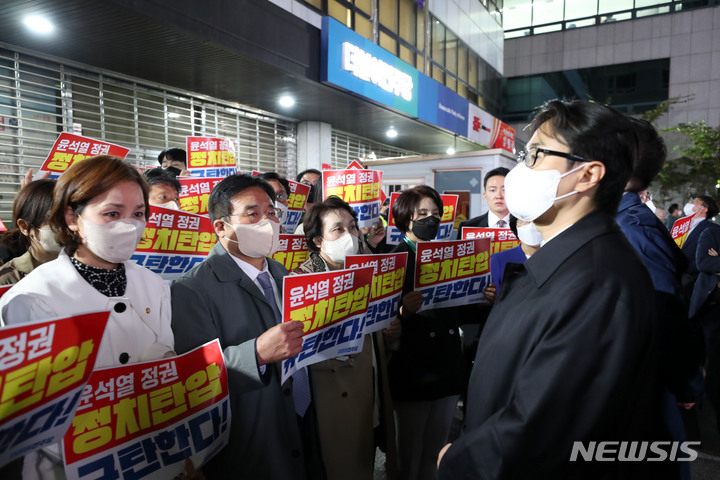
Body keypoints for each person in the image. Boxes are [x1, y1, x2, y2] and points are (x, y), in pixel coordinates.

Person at [438, 100, 671, 479]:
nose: (519, 172)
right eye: (524, 155)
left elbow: (542, 429)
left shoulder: (597, 282)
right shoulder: (567, 260)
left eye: (536, 155)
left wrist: (459, 460)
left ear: (587, 175)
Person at [0, 155, 175, 479]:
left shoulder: (154, 286)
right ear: (72, 218)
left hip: (152, 458)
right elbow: (31, 419)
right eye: (112, 213)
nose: (130, 224)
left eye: (138, 213)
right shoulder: (33, 298)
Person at [170, 174, 321, 480]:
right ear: (221, 226)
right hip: (248, 438)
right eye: (252, 213)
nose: (267, 222)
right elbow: (192, 381)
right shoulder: (191, 289)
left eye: (272, 212)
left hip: (302, 418)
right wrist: (255, 355)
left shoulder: (280, 272)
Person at [616, 117, 702, 480]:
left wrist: (683, 381)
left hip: (638, 398)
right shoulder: (620, 222)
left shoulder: (631, 229)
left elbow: (664, 310)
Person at [292, 195, 398, 480]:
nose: (349, 235)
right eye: (337, 229)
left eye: (352, 227)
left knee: (365, 457)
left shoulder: (369, 271)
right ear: (317, 240)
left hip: (371, 382)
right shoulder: (302, 283)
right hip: (333, 393)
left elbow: (380, 331)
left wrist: (390, 331)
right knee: (339, 465)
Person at [389, 185, 470, 480]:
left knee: (437, 448)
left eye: (436, 213)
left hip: (447, 367)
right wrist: (403, 311)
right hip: (412, 367)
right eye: (422, 213)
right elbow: (379, 318)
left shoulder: (448, 256)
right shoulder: (394, 259)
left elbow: (460, 309)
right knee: (408, 451)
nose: (431, 219)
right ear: (405, 216)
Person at [0, 179, 61, 285]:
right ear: (24, 227)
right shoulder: (8, 279)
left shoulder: (89, 268)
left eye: (72, 218)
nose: (66, 228)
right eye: (54, 220)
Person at [481, 215, 541, 304]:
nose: (531, 226)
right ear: (516, 226)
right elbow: (494, 297)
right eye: (525, 221)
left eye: (537, 221)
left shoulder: (556, 255)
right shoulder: (500, 259)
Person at [680, 195, 720, 296]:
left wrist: (682, 268)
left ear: (704, 209)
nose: (690, 202)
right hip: (672, 276)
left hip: (692, 281)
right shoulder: (680, 226)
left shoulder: (713, 230)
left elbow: (709, 257)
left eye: (695, 201)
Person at [455, 167, 510, 238]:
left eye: (504, 190)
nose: (498, 196)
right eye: (493, 190)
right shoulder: (468, 227)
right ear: (485, 196)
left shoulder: (525, 226)